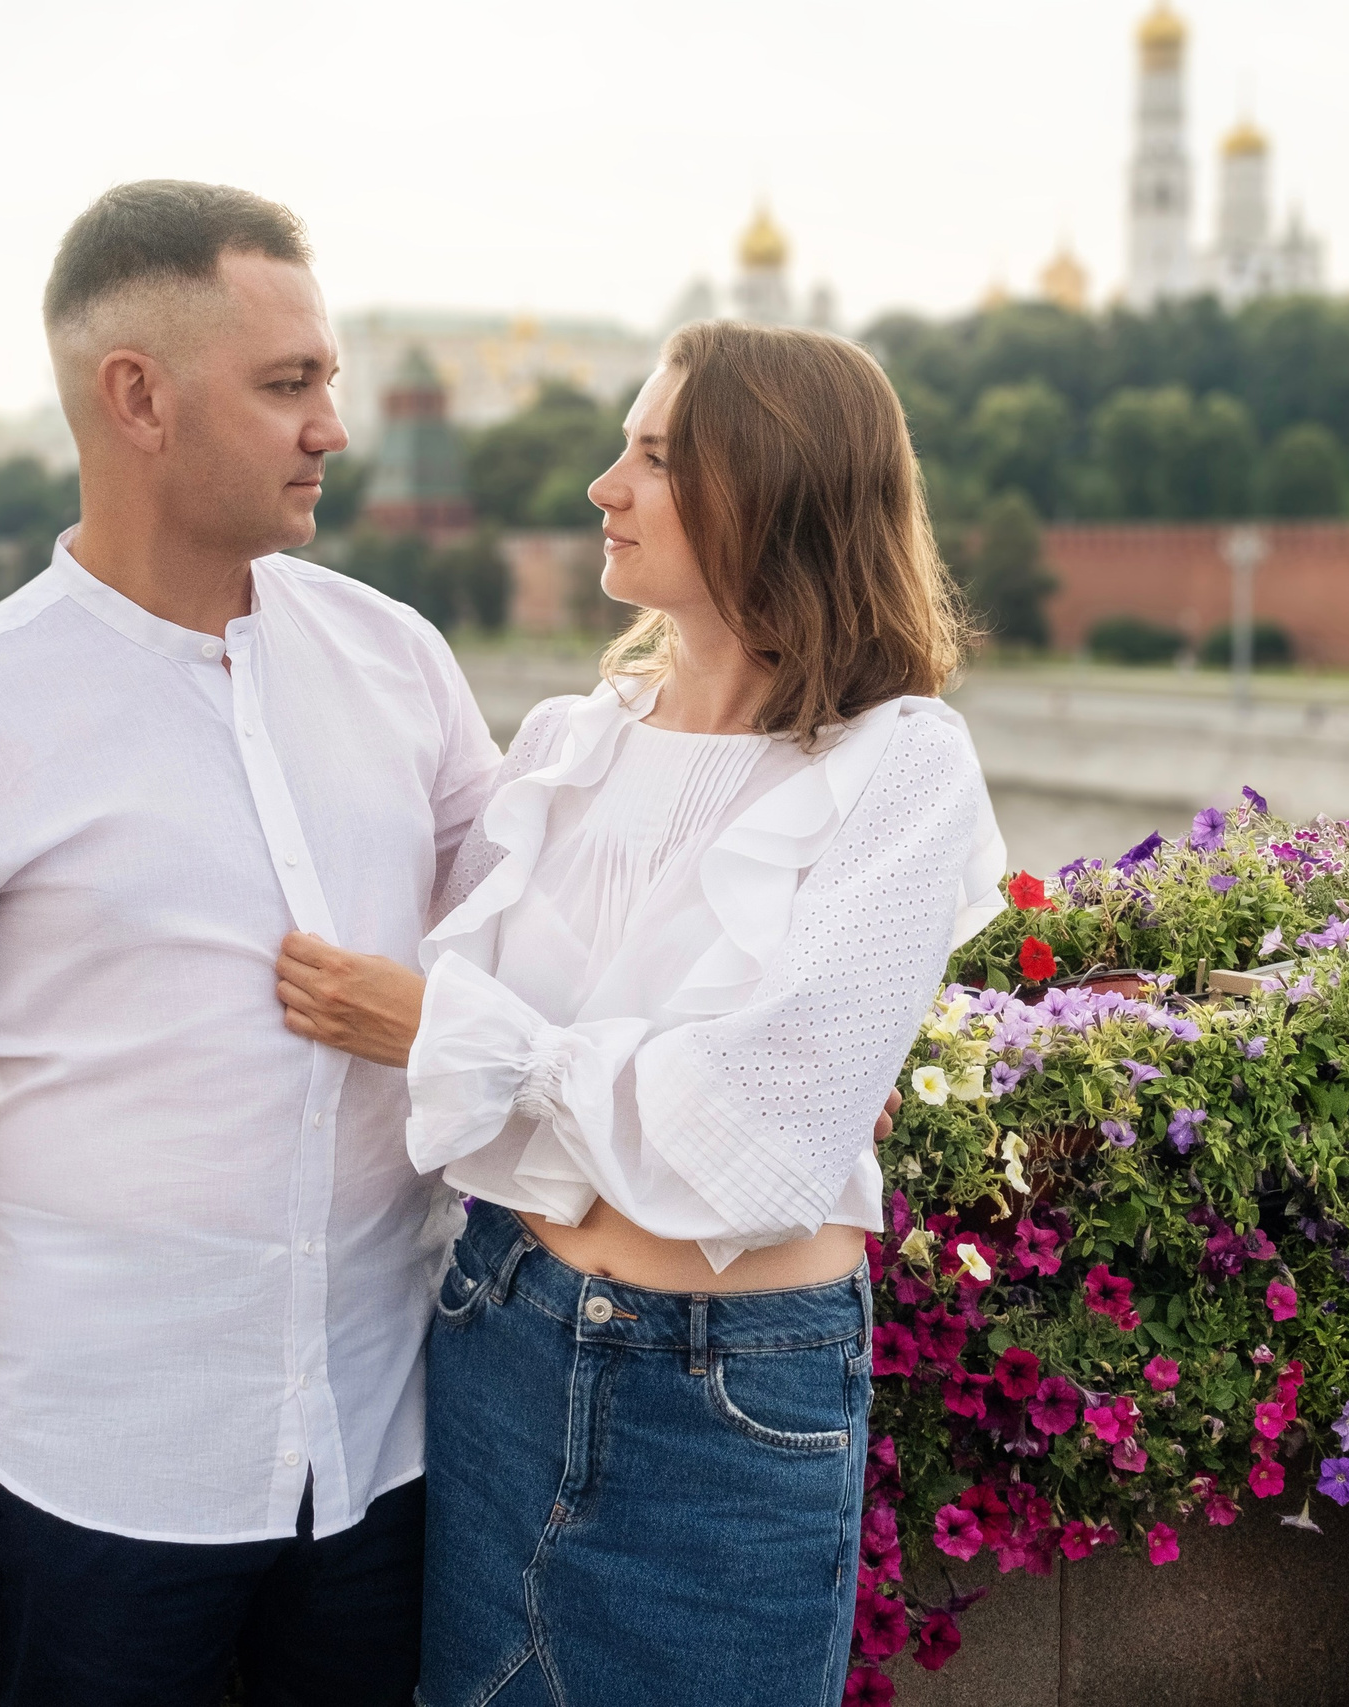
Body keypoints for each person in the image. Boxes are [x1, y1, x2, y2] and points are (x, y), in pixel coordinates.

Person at [0, 181, 509, 1705]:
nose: (334, 425)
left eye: (328, 379)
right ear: (139, 398)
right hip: (97, 1493)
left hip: (387, 1464)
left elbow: (535, 970)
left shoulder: (402, 664)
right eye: (289, 383)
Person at [270, 320, 1004, 1707]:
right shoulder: (566, 746)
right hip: (498, 1332)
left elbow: (755, 1139)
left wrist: (451, 1034)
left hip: (725, 1404)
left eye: (656, 457)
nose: (604, 486)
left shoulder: (899, 768)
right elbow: (481, 1077)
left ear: (773, 488)